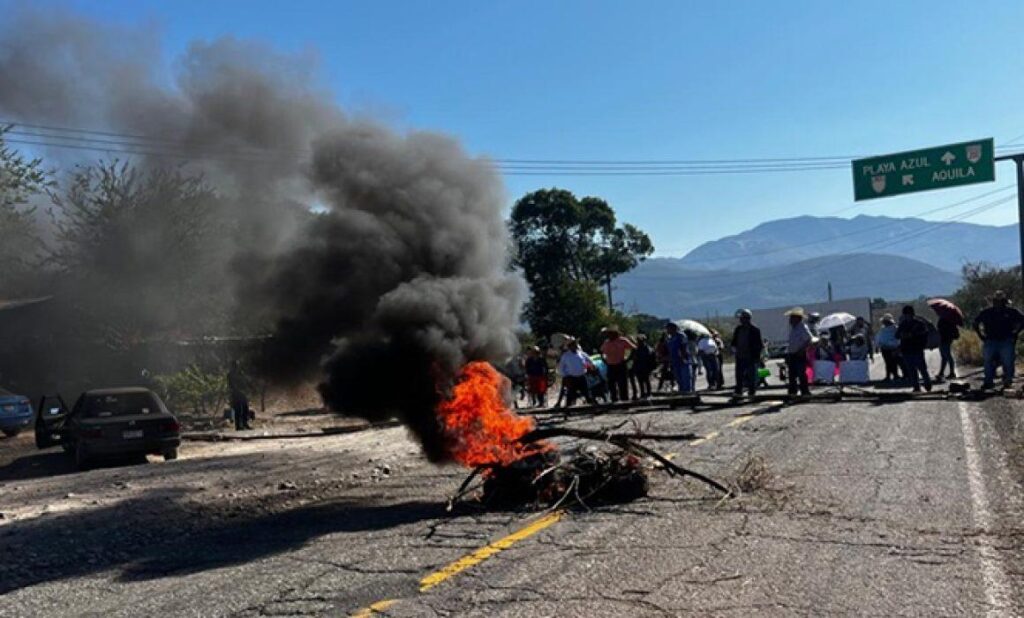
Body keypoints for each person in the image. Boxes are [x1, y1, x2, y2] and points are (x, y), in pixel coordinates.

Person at [974, 290, 1024, 391]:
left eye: (1000, 301)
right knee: (988, 362)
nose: (998, 303)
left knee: (1008, 362)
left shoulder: (1011, 312)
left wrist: (1016, 333)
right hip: (990, 340)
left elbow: (1023, 320)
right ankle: (988, 382)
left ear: (1004, 302)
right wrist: (981, 335)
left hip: (1006, 340)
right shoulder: (986, 312)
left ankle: (1007, 381)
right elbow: (975, 323)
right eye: (996, 301)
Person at [896, 305, 932, 392]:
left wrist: (913, 335)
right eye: (906, 314)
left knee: (922, 369)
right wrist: (903, 335)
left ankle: (927, 385)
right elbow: (897, 335)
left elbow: (925, 334)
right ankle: (916, 387)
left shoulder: (919, 324)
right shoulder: (903, 324)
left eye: (909, 314)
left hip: (917, 349)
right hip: (907, 350)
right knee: (911, 370)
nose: (907, 316)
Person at [730, 309, 763, 397]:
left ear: (748, 318)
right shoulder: (738, 329)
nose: (741, 320)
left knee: (751, 375)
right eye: (741, 318)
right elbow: (734, 342)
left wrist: (757, 356)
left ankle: (752, 391)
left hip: (750, 356)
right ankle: (738, 391)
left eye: (743, 318)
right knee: (739, 374)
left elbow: (759, 344)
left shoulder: (755, 330)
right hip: (740, 355)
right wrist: (734, 349)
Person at [599, 326, 636, 402]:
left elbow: (634, 348)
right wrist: (604, 360)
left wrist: (628, 359)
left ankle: (624, 401)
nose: (608, 335)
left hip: (621, 365)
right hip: (611, 366)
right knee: (611, 384)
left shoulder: (622, 340)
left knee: (623, 384)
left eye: (610, 334)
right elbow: (601, 352)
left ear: (615, 334)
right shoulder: (606, 342)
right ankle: (614, 400)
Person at [784, 307, 813, 396]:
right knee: (792, 374)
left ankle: (805, 392)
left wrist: (802, 350)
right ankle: (793, 392)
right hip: (792, 354)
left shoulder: (802, 327)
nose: (790, 319)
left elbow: (809, 339)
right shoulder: (793, 329)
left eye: (792, 317)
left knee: (801, 374)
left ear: (797, 318)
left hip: (799, 354)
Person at [558, 338, 595, 406]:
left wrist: (591, 366)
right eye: (572, 344)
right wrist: (565, 376)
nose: (574, 346)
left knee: (587, 393)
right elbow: (561, 368)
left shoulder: (582, 354)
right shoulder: (565, 356)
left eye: (575, 344)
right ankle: (567, 410)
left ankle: (593, 408)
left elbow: (589, 360)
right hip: (572, 378)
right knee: (570, 394)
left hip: (582, 376)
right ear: (569, 346)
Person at [664, 322, 693, 393]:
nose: (667, 330)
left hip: (683, 360)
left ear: (673, 328)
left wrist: (683, 357)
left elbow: (683, 347)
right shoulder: (669, 338)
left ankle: (687, 394)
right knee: (679, 379)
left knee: (685, 379)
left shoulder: (681, 336)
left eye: (668, 328)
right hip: (674, 361)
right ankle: (681, 392)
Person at [875, 314, 902, 382]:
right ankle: (888, 376)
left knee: (894, 362)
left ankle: (895, 375)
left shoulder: (895, 328)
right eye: (884, 321)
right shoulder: (883, 329)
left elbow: (897, 338)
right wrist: (878, 345)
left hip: (893, 348)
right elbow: (879, 338)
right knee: (888, 363)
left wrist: (897, 346)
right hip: (885, 349)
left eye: (886, 321)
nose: (885, 323)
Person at [935, 314, 960, 383]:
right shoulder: (948, 319)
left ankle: (952, 372)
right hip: (946, 339)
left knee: (947, 356)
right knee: (944, 356)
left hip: (945, 339)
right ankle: (942, 372)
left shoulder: (945, 320)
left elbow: (941, 329)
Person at [227, 360, 252, 430]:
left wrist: (249, 387)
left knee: (245, 408)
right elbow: (232, 385)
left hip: (241, 393)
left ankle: (244, 423)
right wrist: (238, 391)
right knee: (237, 410)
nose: (237, 367)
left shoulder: (240, 373)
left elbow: (245, 381)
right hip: (235, 394)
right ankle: (238, 425)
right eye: (235, 365)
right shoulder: (230, 374)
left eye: (237, 365)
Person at [631, 335, 656, 399]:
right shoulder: (636, 349)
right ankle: (643, 393)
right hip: (639, 367)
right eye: (638, 340)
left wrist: (651, 367)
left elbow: (652, 359)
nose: (639, 342)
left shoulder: (648, 349)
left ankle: (648, 393)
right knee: (640, 381)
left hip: (645, 367)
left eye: (640, 340)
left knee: (646, 380)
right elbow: (633, 358)